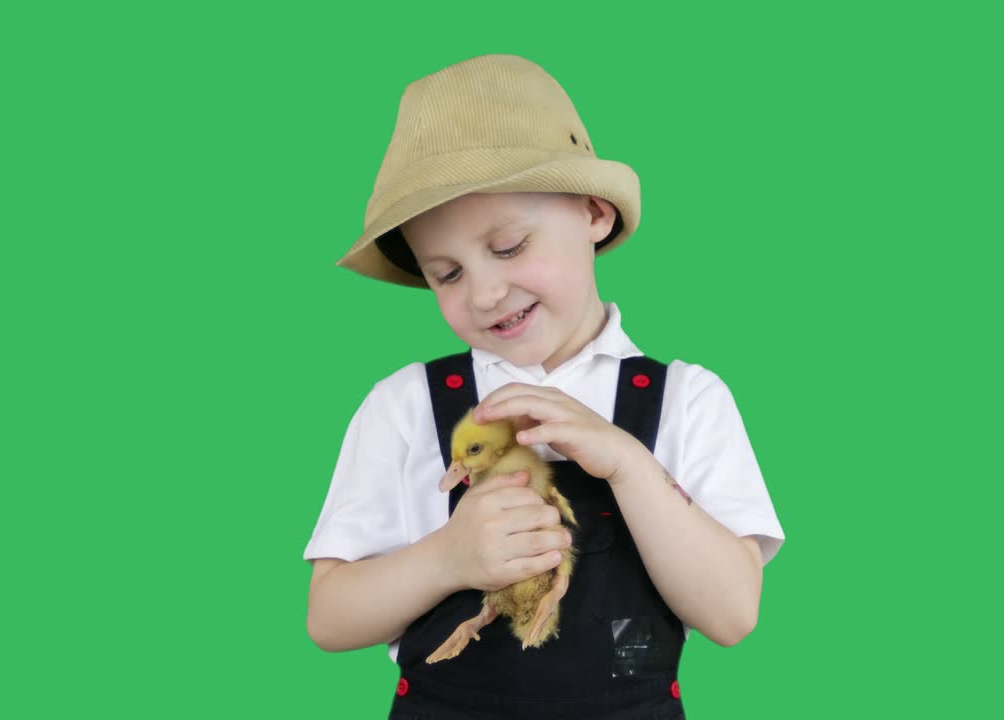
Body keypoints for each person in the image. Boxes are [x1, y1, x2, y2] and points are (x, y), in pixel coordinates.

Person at [304, 53, 785, 719]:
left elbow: (733, 614)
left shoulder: (687, 400)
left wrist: (626, 462)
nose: (486, 292)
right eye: (446, 274)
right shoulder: (406, 405)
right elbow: (328, 618)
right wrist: (448, 558)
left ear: (593, 213)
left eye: (507, 248)